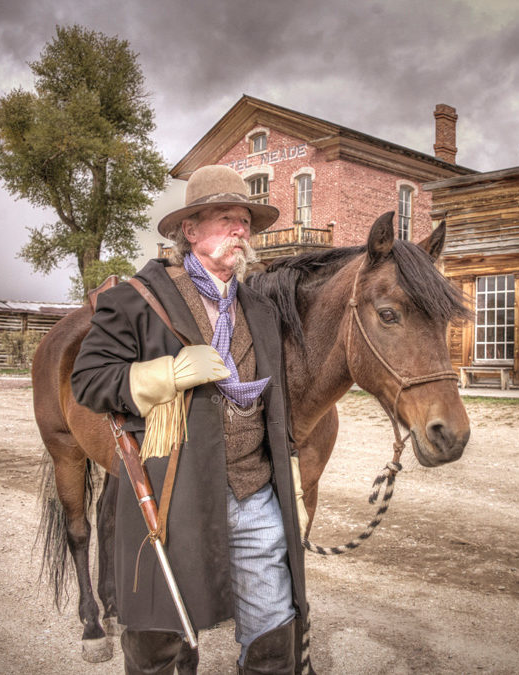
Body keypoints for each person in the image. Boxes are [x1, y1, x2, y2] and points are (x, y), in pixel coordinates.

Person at [71, 164, 310, 675]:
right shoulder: (137, 301)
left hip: (255, 493)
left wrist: (290, 481)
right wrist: (169, 373)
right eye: (226, 218)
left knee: (273, 632)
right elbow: (88, 382)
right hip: (173, 494)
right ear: (191, 230)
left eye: (245, 221)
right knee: (162, 637)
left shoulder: (261, 309)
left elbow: (278, 408)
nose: (240, 230)